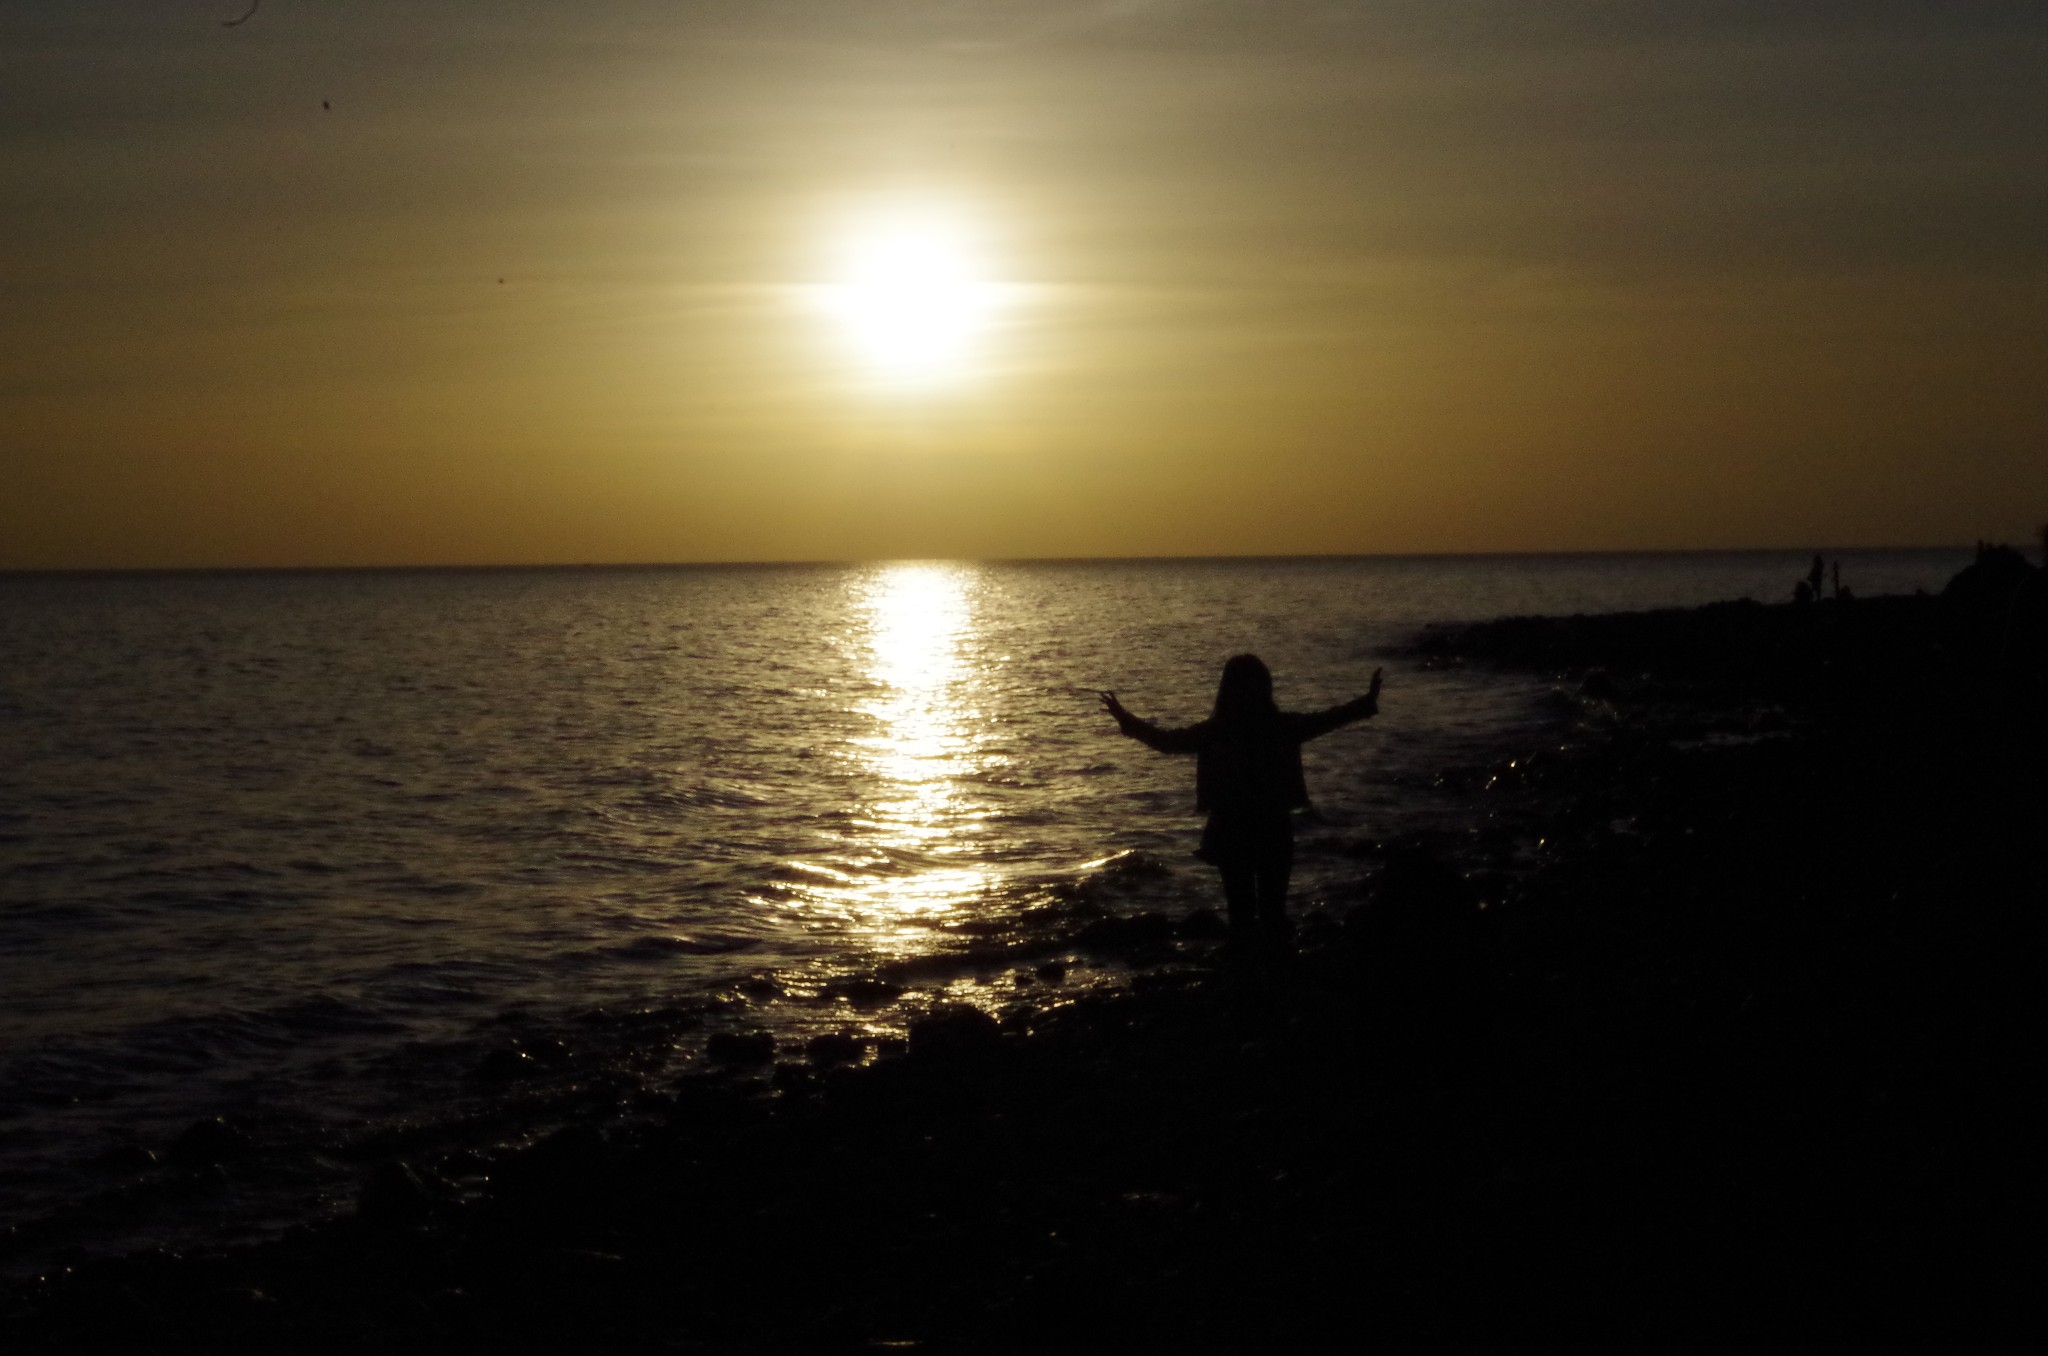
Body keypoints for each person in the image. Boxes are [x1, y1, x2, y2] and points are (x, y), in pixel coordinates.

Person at [1100, 655, 1383, 941]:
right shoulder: (1272, 727)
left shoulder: (1228, 729)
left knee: (1250, 913)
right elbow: (1170, 742)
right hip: (1261, 829)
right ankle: (1269, 970)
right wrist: (1127, 720)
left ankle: (1251, 971)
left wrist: (1127, 721)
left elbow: (1169, 742)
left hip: (1241, 831)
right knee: (1261, 912)